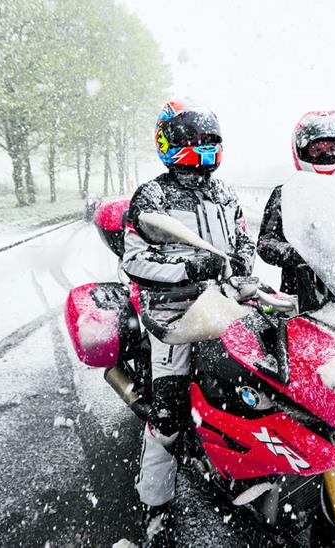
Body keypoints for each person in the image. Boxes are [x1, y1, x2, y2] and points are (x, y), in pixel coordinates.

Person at [121, 99, 255, 542]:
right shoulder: (153, 195)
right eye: (191, 140)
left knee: (256, 383)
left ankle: (243, 464)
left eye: (208, 140)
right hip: (173, 312)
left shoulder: (226, 193)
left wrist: (244, 275)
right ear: (169, 143)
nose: (201, 148)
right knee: (168, 416)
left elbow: (242, 246)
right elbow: (135, 261)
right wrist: (188, 269)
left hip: (222, 304)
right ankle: (154, 506)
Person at [257, 111, 335, 294]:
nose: (326, 155)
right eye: (317, 150)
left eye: (331, 149)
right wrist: (299, 254)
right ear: (303, 151)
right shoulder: (287, 193)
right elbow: (266, 244)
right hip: (301, 293)